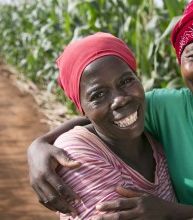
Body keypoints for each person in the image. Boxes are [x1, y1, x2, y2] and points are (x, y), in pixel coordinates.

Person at [27, 0, 193, 219]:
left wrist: (166, 212)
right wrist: (39, 144)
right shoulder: (165, 108)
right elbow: (104, 118)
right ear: (180, 60)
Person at [48, 32, 177, 219]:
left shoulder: (156, 141)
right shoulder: (75, 152)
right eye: (98, 95)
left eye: (126, 81)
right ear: (81, 108)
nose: (120, 100)